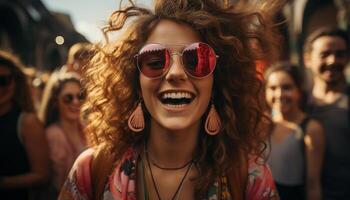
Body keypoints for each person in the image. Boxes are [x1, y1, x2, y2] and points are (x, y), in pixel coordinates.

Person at [59, 0, 282, 199]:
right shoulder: (91, 170)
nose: (176, 73)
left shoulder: (249, 176)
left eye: (196, 60)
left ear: (217, 80)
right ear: (135, 81)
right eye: (155, 62)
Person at [264, 62, 325, 200]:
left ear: (299, 90)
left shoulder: (311, 128)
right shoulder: (263, 123)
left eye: (287, 87)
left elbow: (313, 184)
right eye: (273, 88)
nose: (279, 94)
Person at [303, 27, 350, 199]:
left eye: (340, 54)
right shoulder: (295, 103)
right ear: (307, 59)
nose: (333, 60)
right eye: (325, 54)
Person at [0, 50, 49, 199]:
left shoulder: (27, 122)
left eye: (4, 80)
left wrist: (4, 182)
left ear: (16, 82)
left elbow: (42, 175)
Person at [39, 72, 87, 197]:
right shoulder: (54, 135)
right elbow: (58, 184)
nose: (76, 102)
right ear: (55, 102)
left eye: (80, 96)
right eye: (68, 98)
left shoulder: (87, 128)